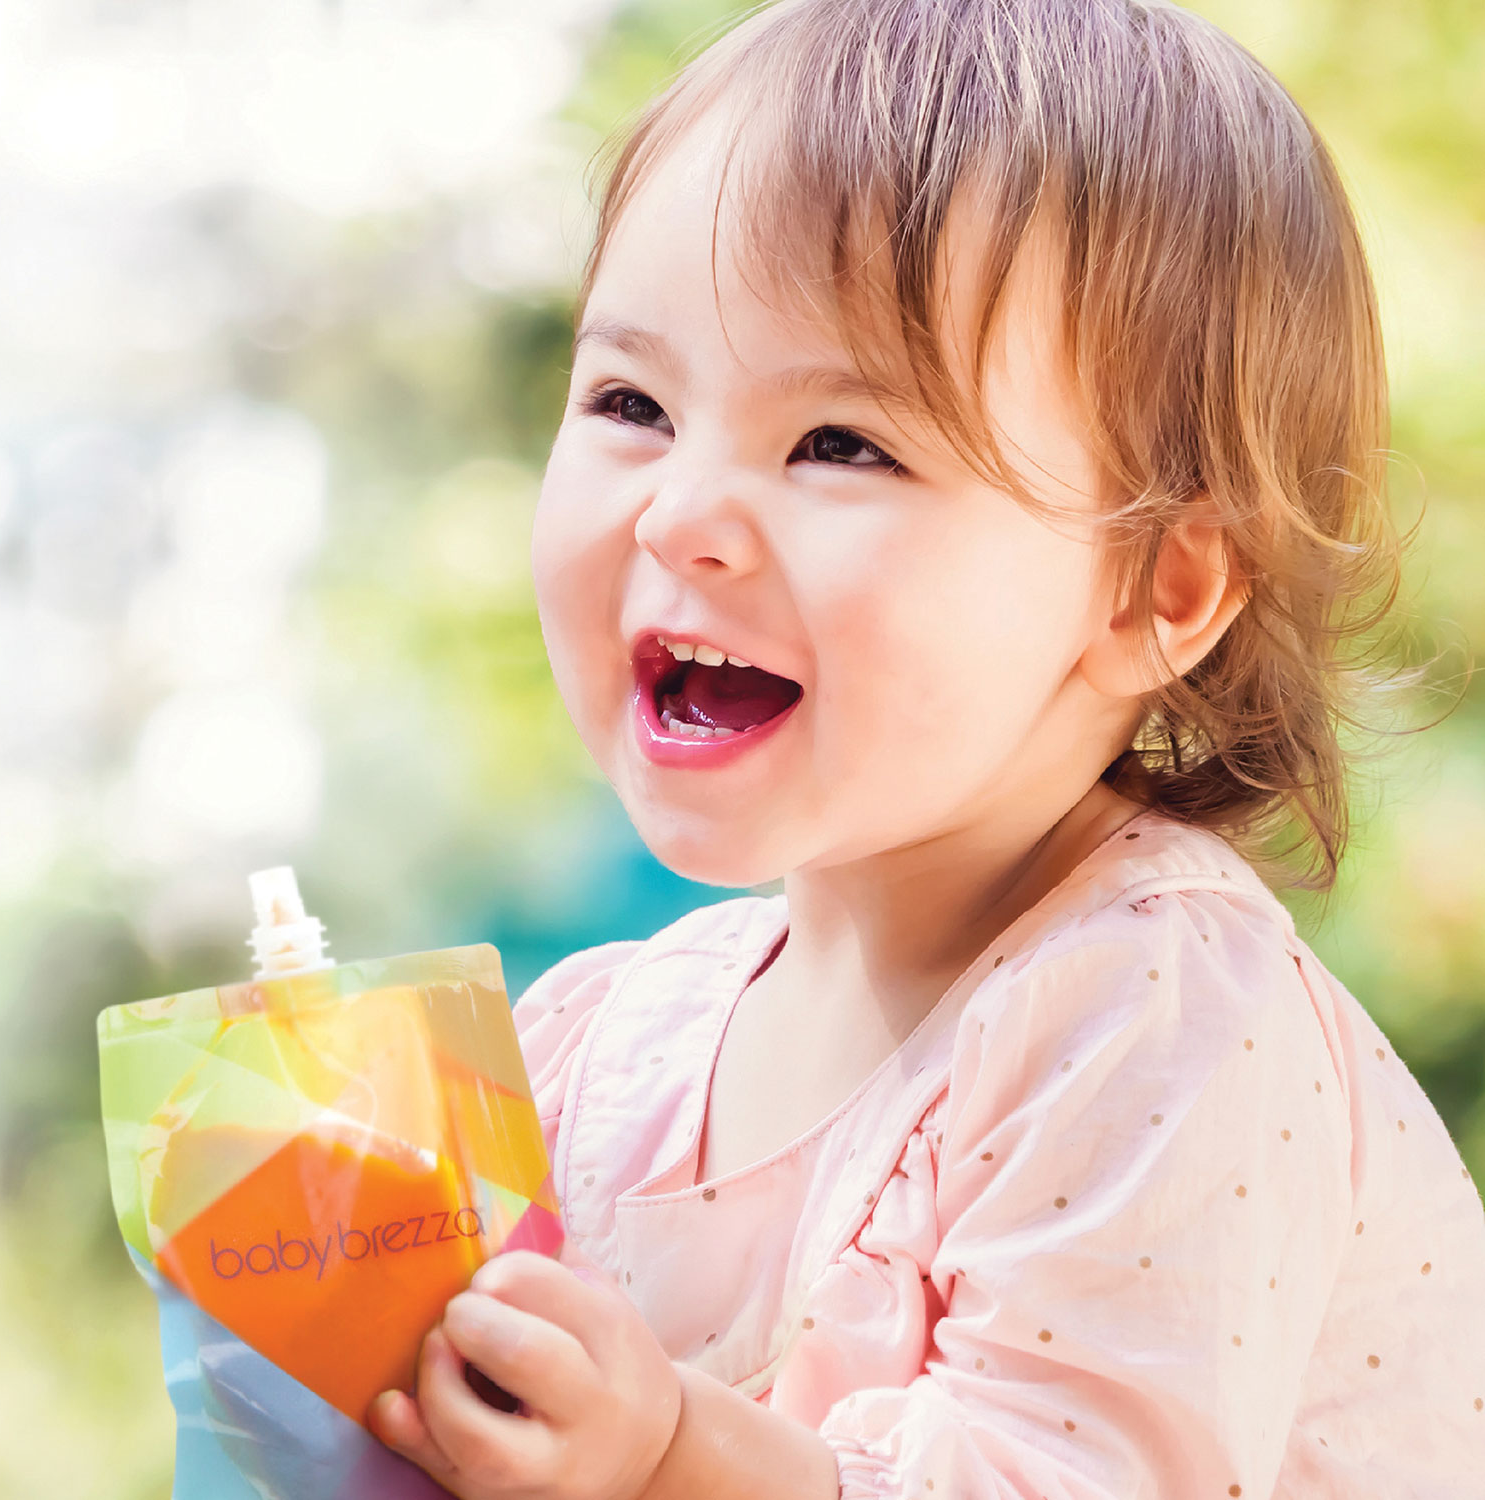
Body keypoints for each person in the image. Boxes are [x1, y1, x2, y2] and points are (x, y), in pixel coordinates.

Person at [366, 1, 1485, 1496]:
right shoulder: (590, 1053)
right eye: (632, 402)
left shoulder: (1155, 1018)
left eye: (843, 444)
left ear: (1158, 589)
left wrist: (672, 1451)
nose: (681, 514)